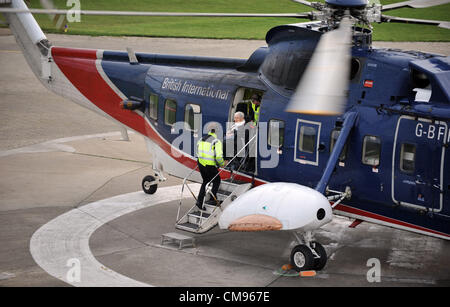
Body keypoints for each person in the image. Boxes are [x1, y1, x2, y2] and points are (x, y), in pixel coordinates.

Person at [196, 123, 225, 209]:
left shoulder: (201, 139)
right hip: (210, 165)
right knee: (217, 180)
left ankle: (199, 201)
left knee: (205, 181)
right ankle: (212, 199)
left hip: (200, 163)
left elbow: (198, 151)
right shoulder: (216, 141)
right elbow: (219, 156)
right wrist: (221, 164)